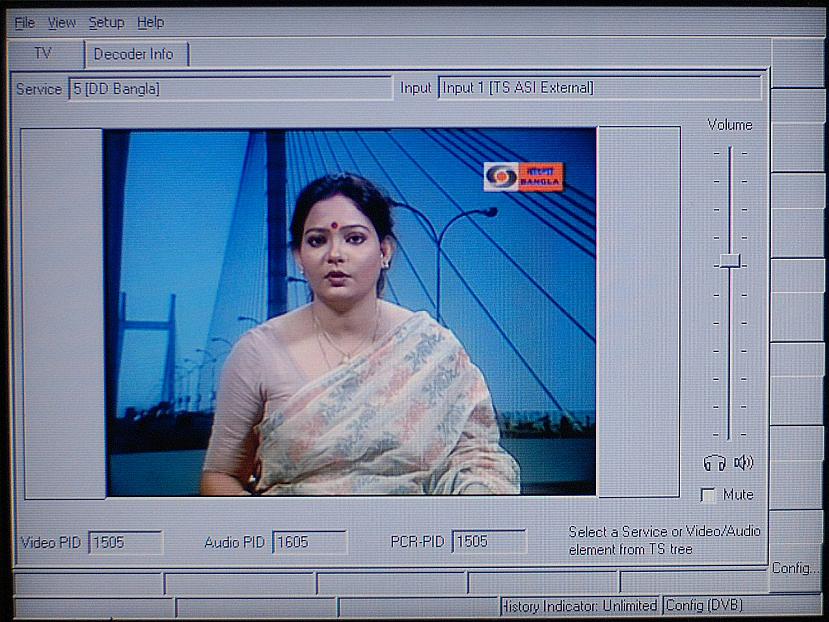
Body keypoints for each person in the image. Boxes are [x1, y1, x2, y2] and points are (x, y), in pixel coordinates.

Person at [201, 173, 519, 495]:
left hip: (411, 527)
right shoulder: (257, 352)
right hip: (294, 527)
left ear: (385, 251)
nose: (335, 254)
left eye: (354, 239)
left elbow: (476, 458)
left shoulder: (431, 349)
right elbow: (220, 477)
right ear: (298, 257)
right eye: (317, 240)